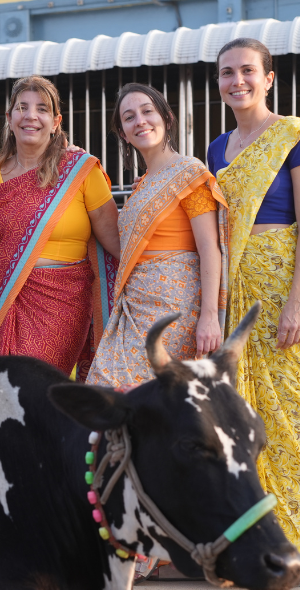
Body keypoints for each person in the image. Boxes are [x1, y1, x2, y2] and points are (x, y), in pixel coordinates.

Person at [207, 37, 300, 586]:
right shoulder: (217, 149)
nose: (237, 81)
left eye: (248, 71)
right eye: (227, 73)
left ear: (269, 78)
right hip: (237, 296)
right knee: (242, 424)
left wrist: (299, 299)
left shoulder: (294, 138)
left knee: (292, 424)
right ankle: (254, 550)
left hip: (285, 291)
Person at [0, 75, 120, 377]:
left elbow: (118, 242)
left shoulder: (80, 171)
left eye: (42, 109)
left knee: (41, 391)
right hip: (4, 301)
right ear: (9, 117)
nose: (31, 116)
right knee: (4, 395)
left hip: (63, 306)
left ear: (56, 121)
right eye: (22, 107)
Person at [88, 83, 228, 388]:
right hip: (136, 307)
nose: (140, 121)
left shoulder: (188, 173)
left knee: (133, 396)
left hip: (176, 311)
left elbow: (209, 249)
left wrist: (209, 317)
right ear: (123, 133)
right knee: (110, 395)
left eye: (147, 111)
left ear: (167, 117)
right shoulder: (142, 186)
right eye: (129, 117)